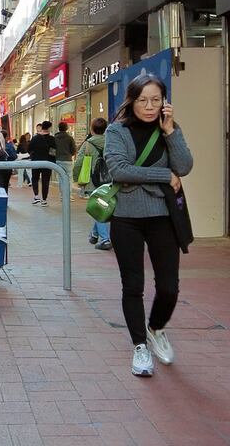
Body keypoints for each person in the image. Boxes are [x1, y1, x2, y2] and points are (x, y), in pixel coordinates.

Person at [104, 74, 192, 378]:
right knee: (133, 285)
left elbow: (184, 167)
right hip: (126, 218)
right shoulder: (117, 131)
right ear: (132, 100)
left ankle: (156, 328)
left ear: (165, 102)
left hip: (163, 216)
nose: (149, 106)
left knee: (169, 287)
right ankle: (140, 347)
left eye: (156, 100)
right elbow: (119, 169)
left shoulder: (168, 130)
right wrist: (163, 176)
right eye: (143, 100)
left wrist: (170, 132)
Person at [73, 117, 111, 249]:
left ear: (92, 129)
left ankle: (105, 239)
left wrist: (76, 178)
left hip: (93, 180)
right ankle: (94, 234)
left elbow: (78, 162)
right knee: (100, 207)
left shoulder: (88, 144)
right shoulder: (111, 141)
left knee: (98, 209)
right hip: (109, 179)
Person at [28, 121, 56, 206]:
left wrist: (34, 155)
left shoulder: (35, 138)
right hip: (47, 163)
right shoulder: (52, 139)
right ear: (49, 128)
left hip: (36, 161)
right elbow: (53, 152)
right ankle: (44, 200)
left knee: (35, 179)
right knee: (45, 181)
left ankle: (36, 196)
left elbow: (29, 149)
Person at [54, 121, 77, 200]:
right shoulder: (69, 138)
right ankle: (68, 195)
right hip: (67, 160)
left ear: (59, 128)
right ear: (66, 128)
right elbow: (74, 149)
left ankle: (62, 195)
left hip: (57, 160)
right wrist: (71, 154)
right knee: (69, 178)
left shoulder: (55, 138)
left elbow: (52, 149)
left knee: (61, 178)